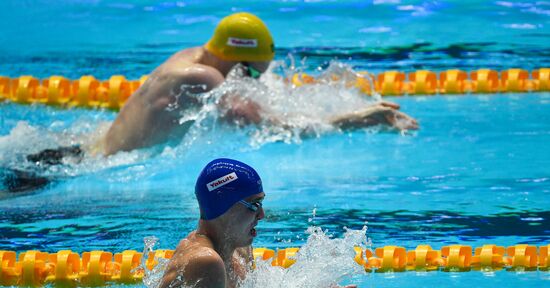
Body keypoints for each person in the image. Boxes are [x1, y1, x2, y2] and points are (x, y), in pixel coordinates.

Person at [8, 12, 417, 193]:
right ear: (236, 59)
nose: (252, 81)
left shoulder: (191, 57)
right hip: (82, 173)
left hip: (81, 150)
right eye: (252, 72)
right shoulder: (203, 80)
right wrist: (360, 119)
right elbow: (274, 128)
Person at [147, 158, 362, 288]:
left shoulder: (239, 249)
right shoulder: (204, 261)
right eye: (254, 204)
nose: (262, 215)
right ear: (223, 206)